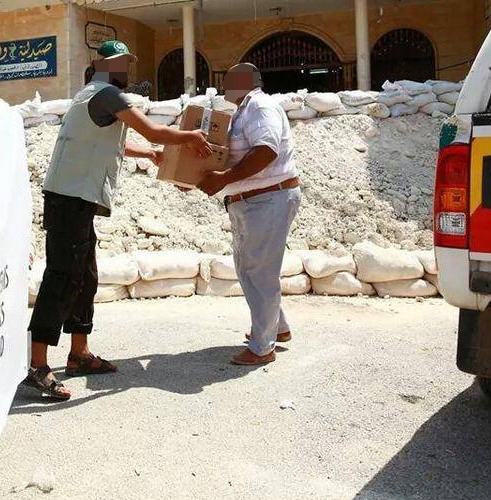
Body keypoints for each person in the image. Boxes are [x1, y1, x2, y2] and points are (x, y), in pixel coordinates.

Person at [24, 40, 212, 400]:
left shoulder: (89, 95)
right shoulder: (108, 94)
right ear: (104, 65)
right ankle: (37, 368)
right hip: (70, 199)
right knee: (62, 277)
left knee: (86, 275)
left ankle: (79, 353)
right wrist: (188, 137)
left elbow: (114, 142)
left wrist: (153, 156)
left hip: (75, 197)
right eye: (122, 62)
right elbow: (154, 130)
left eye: (128, 61)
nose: (127, 68)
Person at [197, 62, 301, 366]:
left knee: (260, 272)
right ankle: (277, 329)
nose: (225, 85)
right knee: (250, 268)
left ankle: (262, 348)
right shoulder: (243, 111)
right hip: (251, 201)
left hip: (268, 199)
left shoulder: (260, 107)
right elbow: (230, 157)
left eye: (230, 80)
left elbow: (266, 151)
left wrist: (223, 179)